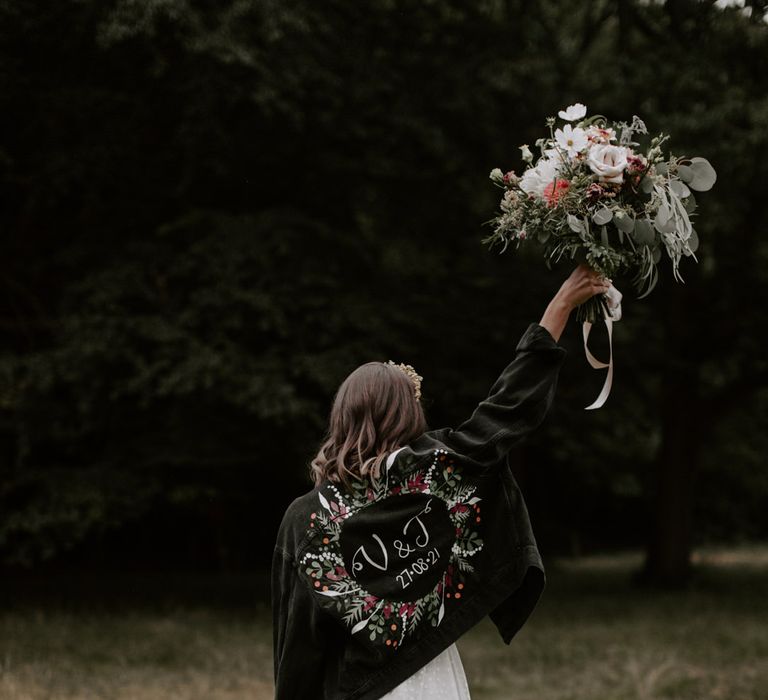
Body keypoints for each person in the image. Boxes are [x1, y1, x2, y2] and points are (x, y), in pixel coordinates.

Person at [272, 264, 612, 699]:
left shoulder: (303, 519)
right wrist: (562, 302)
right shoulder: (437, 471)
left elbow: (297, 644)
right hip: (433, 681)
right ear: (408, 415)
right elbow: (509, 405)